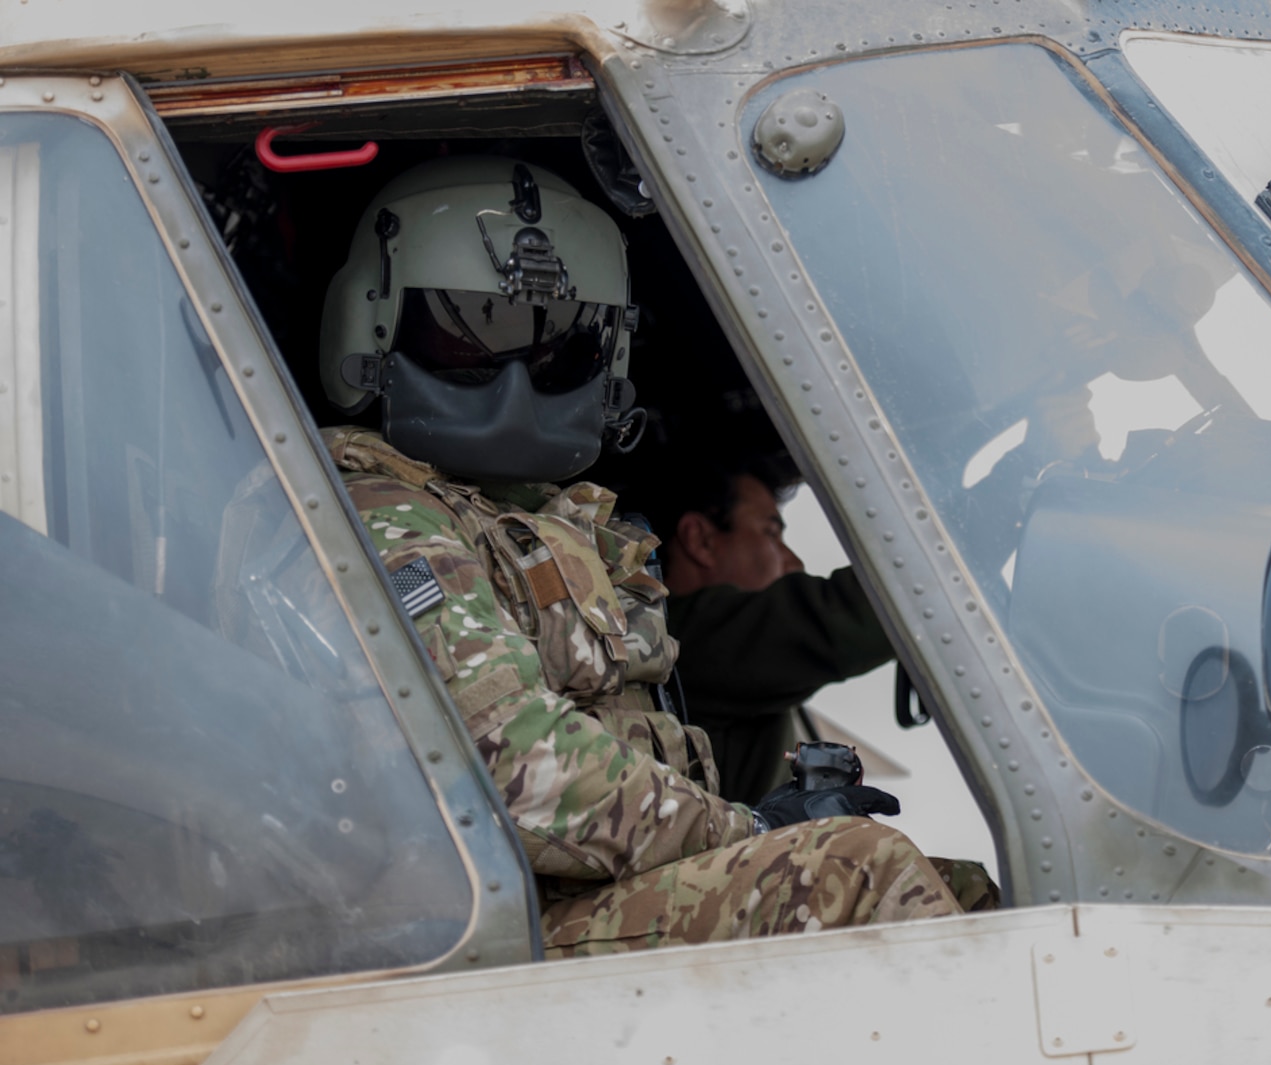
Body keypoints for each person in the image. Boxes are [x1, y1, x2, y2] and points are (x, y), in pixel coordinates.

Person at [316, 156, 966, 956]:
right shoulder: (378, 514)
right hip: (471, 925)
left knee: (968, 893)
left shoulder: (563, 527)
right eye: (470, 332)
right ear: (370, 329)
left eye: (563, 345)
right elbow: (507, 761)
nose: (518, 377)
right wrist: (750, 830)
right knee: (858, 875)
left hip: (573, 899)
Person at [647, 457, 894, 805]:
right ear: (700, 539)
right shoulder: (678, 638)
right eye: (771, 533)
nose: (794, 563)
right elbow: (838, 622)